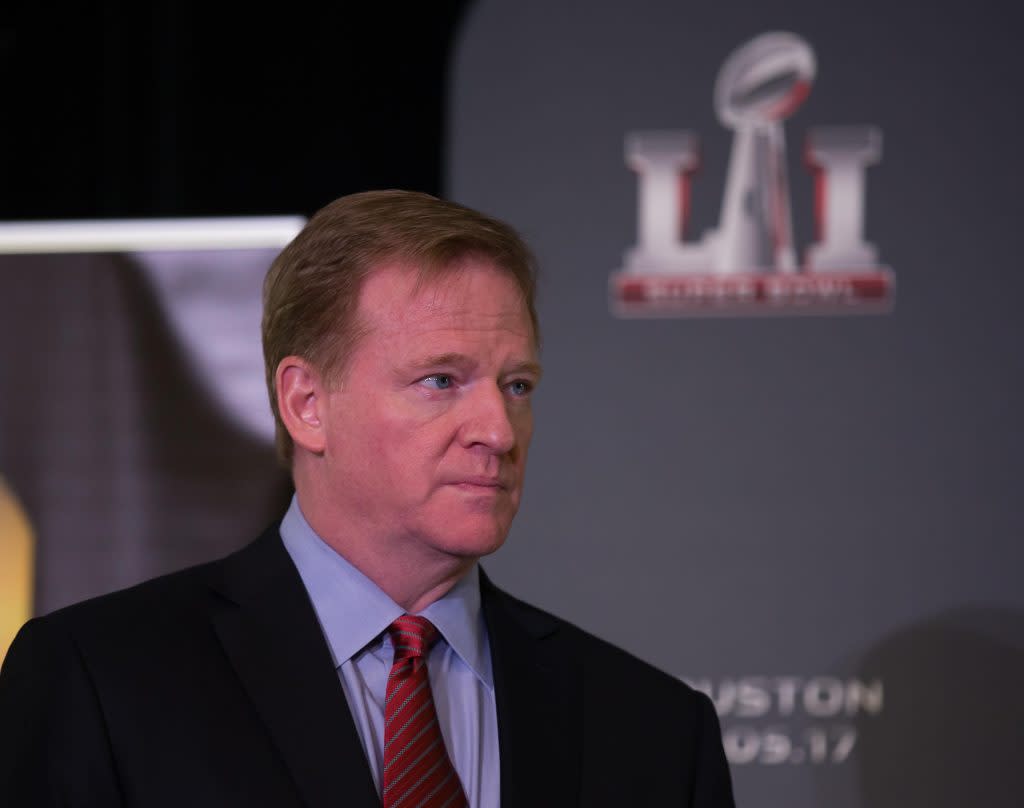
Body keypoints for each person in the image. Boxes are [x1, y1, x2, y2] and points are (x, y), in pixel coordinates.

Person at [0, 191, 735, 807]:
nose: (498, 431)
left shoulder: (655, 733)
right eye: (441, 380)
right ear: (307, 403)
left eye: (517, 386)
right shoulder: (98, 682)